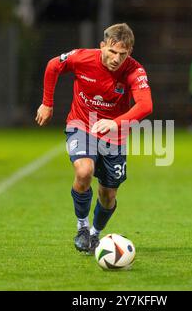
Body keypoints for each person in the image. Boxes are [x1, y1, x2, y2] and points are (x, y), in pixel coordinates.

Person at [35, 23, 153, 254]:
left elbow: (146, 105)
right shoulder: (82, 58)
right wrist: (47, 103)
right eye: (112, 52)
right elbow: (53, 66)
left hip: (114, 136)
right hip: (81, 125)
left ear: (129, 53)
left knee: (108, 196)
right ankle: (82, 227)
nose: (117, 59)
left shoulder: (134, 70)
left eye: (123, 54)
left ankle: (95, 235)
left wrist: (115, 123)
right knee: (83, 172)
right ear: (102, 47)